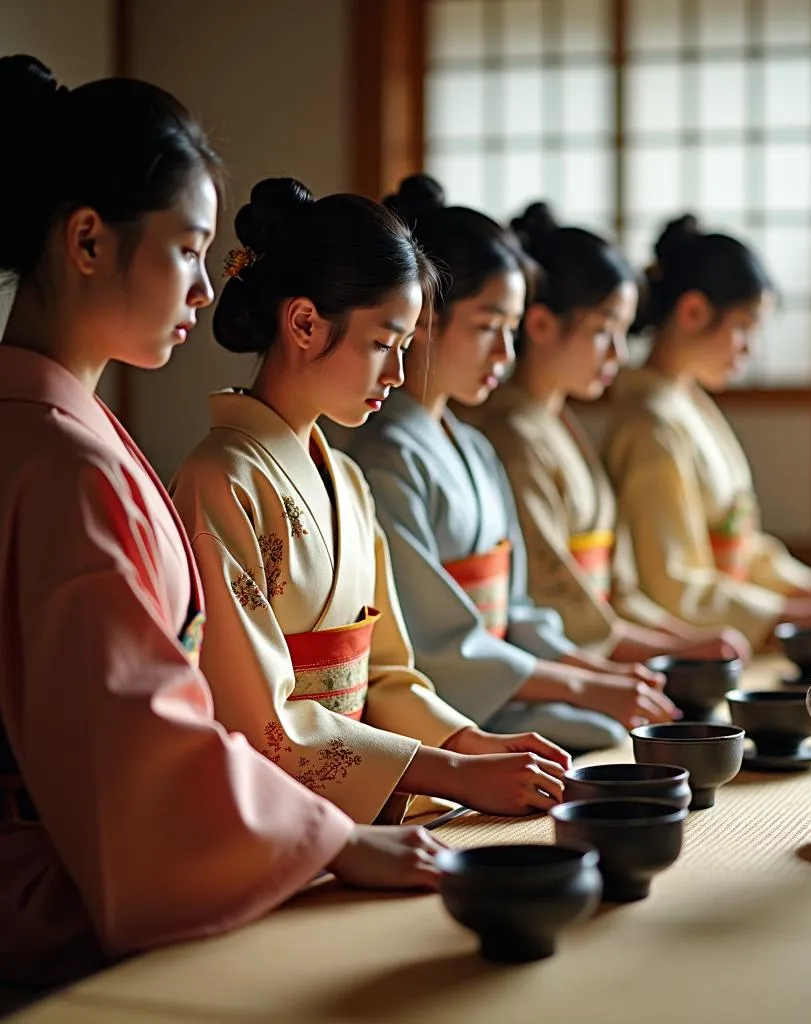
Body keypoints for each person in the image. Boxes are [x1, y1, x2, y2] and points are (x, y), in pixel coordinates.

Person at [0, 57, 439, 988]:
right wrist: (327, 843)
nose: (206, 290)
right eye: (187, 247)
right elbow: (139, 743)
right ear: (87, 240)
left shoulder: (52, 435)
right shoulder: (70, 463)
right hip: (58, 886)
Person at [171, 179, 569, 825]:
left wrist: (474, 745)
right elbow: (262, 722)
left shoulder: (349, 481)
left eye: (406, 348)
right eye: (383, 344)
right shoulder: (219, 479)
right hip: (275, 812)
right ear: (304, 322)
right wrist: (460, 776)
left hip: (366, 798)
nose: (398, 375)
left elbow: (383, 674)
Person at [347, 175, 678, 755]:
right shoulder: (386, 456)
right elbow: (441, 643)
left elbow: (518, 609)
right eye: (486, 328)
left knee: (608, 726)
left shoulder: (472, 446)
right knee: (600, 732)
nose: (504, 355)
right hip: (447, 698)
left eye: (510, 331)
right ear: (423, 320)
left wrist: (596, 678)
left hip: (498, 676)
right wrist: (582, 685)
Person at [458, 202, 750, 665]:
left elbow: (619, 588)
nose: (617, 352)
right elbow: (557, 597)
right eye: (602, 331)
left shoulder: (557, 424)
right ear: (540, 325)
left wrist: (681, 639)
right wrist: (677, 647)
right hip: (561, 656)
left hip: (601, 644)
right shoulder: (512, 436)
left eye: (621, 332)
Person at [597, 214, 811, 648]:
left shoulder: (685, 403)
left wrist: (807, 588)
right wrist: (776, 616)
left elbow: (740, 541)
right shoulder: (649, 424)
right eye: (743, 327)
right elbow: (670, 583)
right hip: (697, 639)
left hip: (730, 617)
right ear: (693, 312)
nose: (749, 349)